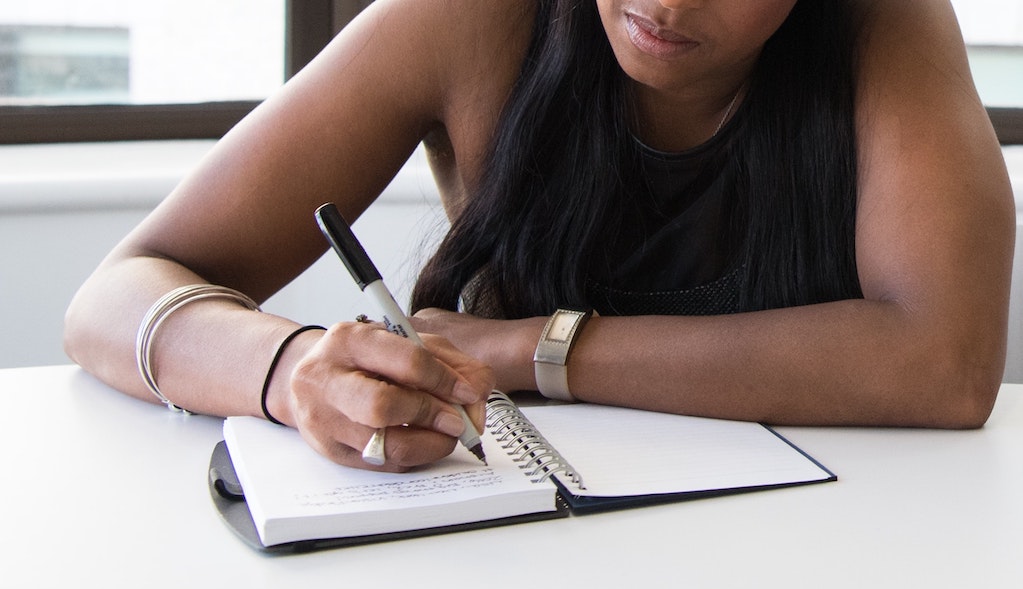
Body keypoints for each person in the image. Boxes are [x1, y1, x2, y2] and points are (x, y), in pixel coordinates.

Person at [64, 0, 1016, 472]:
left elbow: (943, 363)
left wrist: (524, 348)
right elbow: (117, 296)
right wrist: (292, 370)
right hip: (519, 544)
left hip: (833, 552)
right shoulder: (471, 18)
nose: (670, 2)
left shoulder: (880, 23)